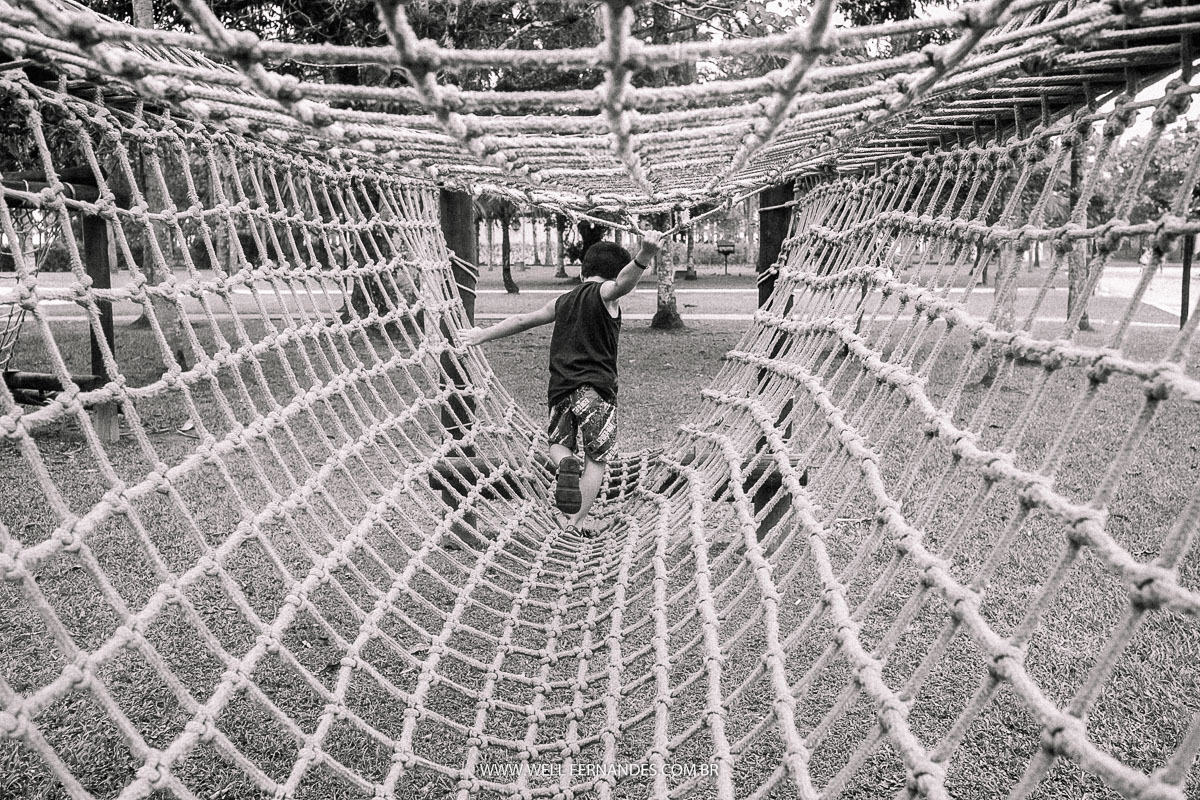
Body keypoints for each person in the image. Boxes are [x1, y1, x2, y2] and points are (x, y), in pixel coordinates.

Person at [460, 230, 664, 534]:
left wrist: (481, 334)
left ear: (582, 270)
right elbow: (622, 284)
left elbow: (522, 320)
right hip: (596, 391)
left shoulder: (562, 300)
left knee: (558, 445)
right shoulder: (606, 294)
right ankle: (574, 520)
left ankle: (566, 464)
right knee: (596, 459)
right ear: (609, 276)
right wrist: (645, 255)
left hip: (561, 390)